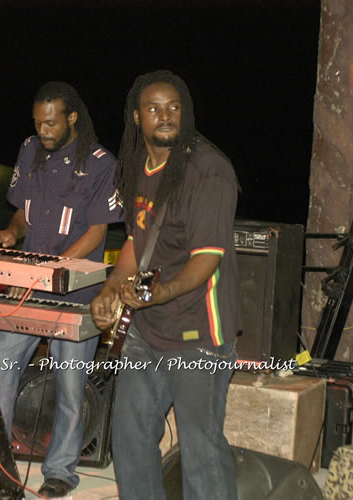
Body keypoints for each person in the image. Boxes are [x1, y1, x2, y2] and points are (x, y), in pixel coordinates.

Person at [90, 70, 242, 500]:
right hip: (147, 328)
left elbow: (208, 258)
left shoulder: (208, 170)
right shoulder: (136, 166)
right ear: (136, 117)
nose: (166, 115)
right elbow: (138, 243)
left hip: (199, 332)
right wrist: (110, 289)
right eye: (154, 108)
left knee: (201, 447)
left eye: (174, 107)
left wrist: (163, 292)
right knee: (130, 437)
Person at [0, 81, 122, 497]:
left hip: (76, 291)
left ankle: (60, 471)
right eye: (38, 122)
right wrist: (10, 233)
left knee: (71, 386)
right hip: (28, 286)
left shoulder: (101, 163)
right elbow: (22, 214)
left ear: (72, 117)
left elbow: (97, 232)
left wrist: (59, 268)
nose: (43, 129)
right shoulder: (29, 150)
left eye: (51, 122)